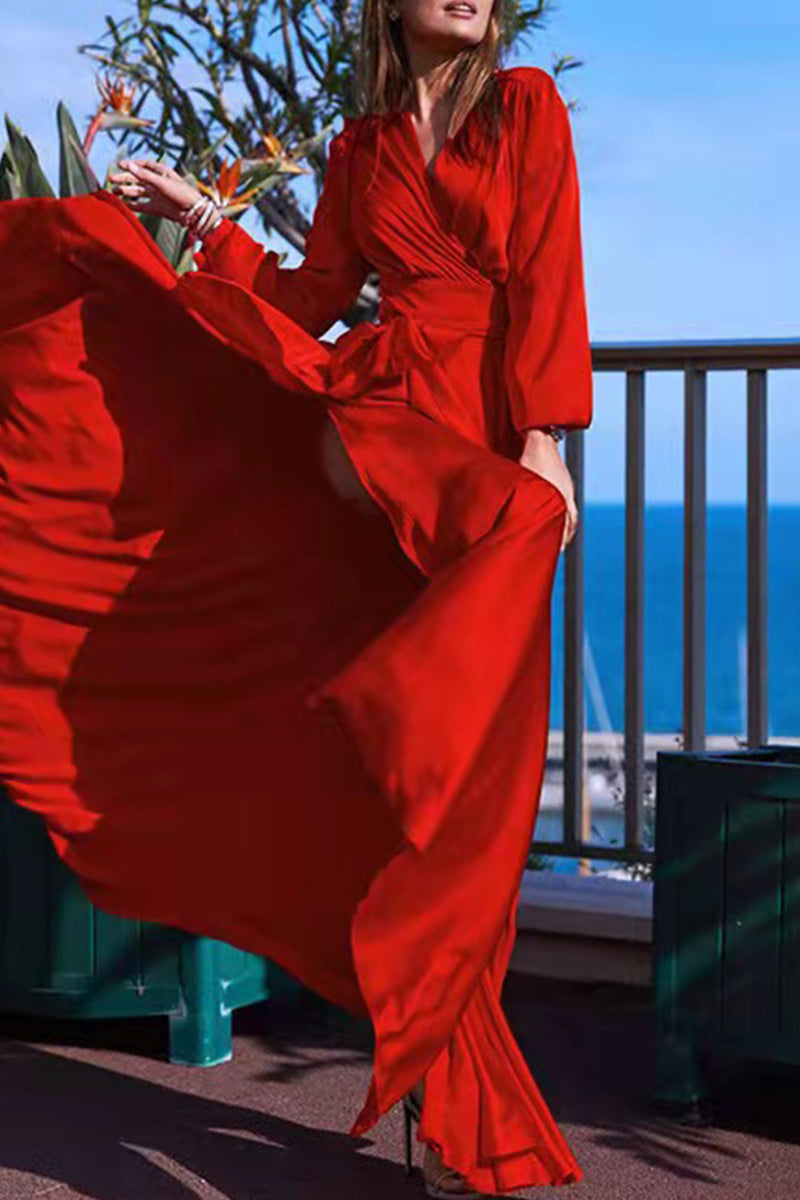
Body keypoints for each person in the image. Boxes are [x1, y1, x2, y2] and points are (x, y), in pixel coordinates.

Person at [0, 0, 592, 1195]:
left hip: (481, 461)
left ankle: (445, 1073)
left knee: (462, 788)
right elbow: (314, 295)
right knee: (417, 791)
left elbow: (546, 269)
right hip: (381, 438)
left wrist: (543, 438)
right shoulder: (359, 148)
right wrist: (202, 222)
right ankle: (444, 1094)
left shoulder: (522, 109)